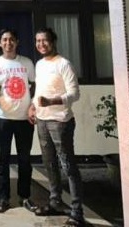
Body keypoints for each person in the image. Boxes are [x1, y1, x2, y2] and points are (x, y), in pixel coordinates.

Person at [29, 27, 85, 227]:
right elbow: (39, 91)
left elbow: (75, 93)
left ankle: (77, 212)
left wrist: (52, 101)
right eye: (38, 41)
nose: (41, 44)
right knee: (49, 164)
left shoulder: (64, 64)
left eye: (44, 40)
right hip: (42, 120)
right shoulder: (39, 64)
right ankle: (55, 202)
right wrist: (33, 106)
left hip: (60, 121)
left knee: (68, 165)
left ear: (53, 41)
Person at [0, 29, 38, 213]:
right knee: (2, 160)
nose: (8, 43)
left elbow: (34, 85)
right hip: (2, 117)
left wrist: (32, 105)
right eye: (4, 40)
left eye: (11, 40)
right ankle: (3, 198)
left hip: (24, 118)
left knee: (24, 159)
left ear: (17, 42)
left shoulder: (27, 62)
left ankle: (24, 196)